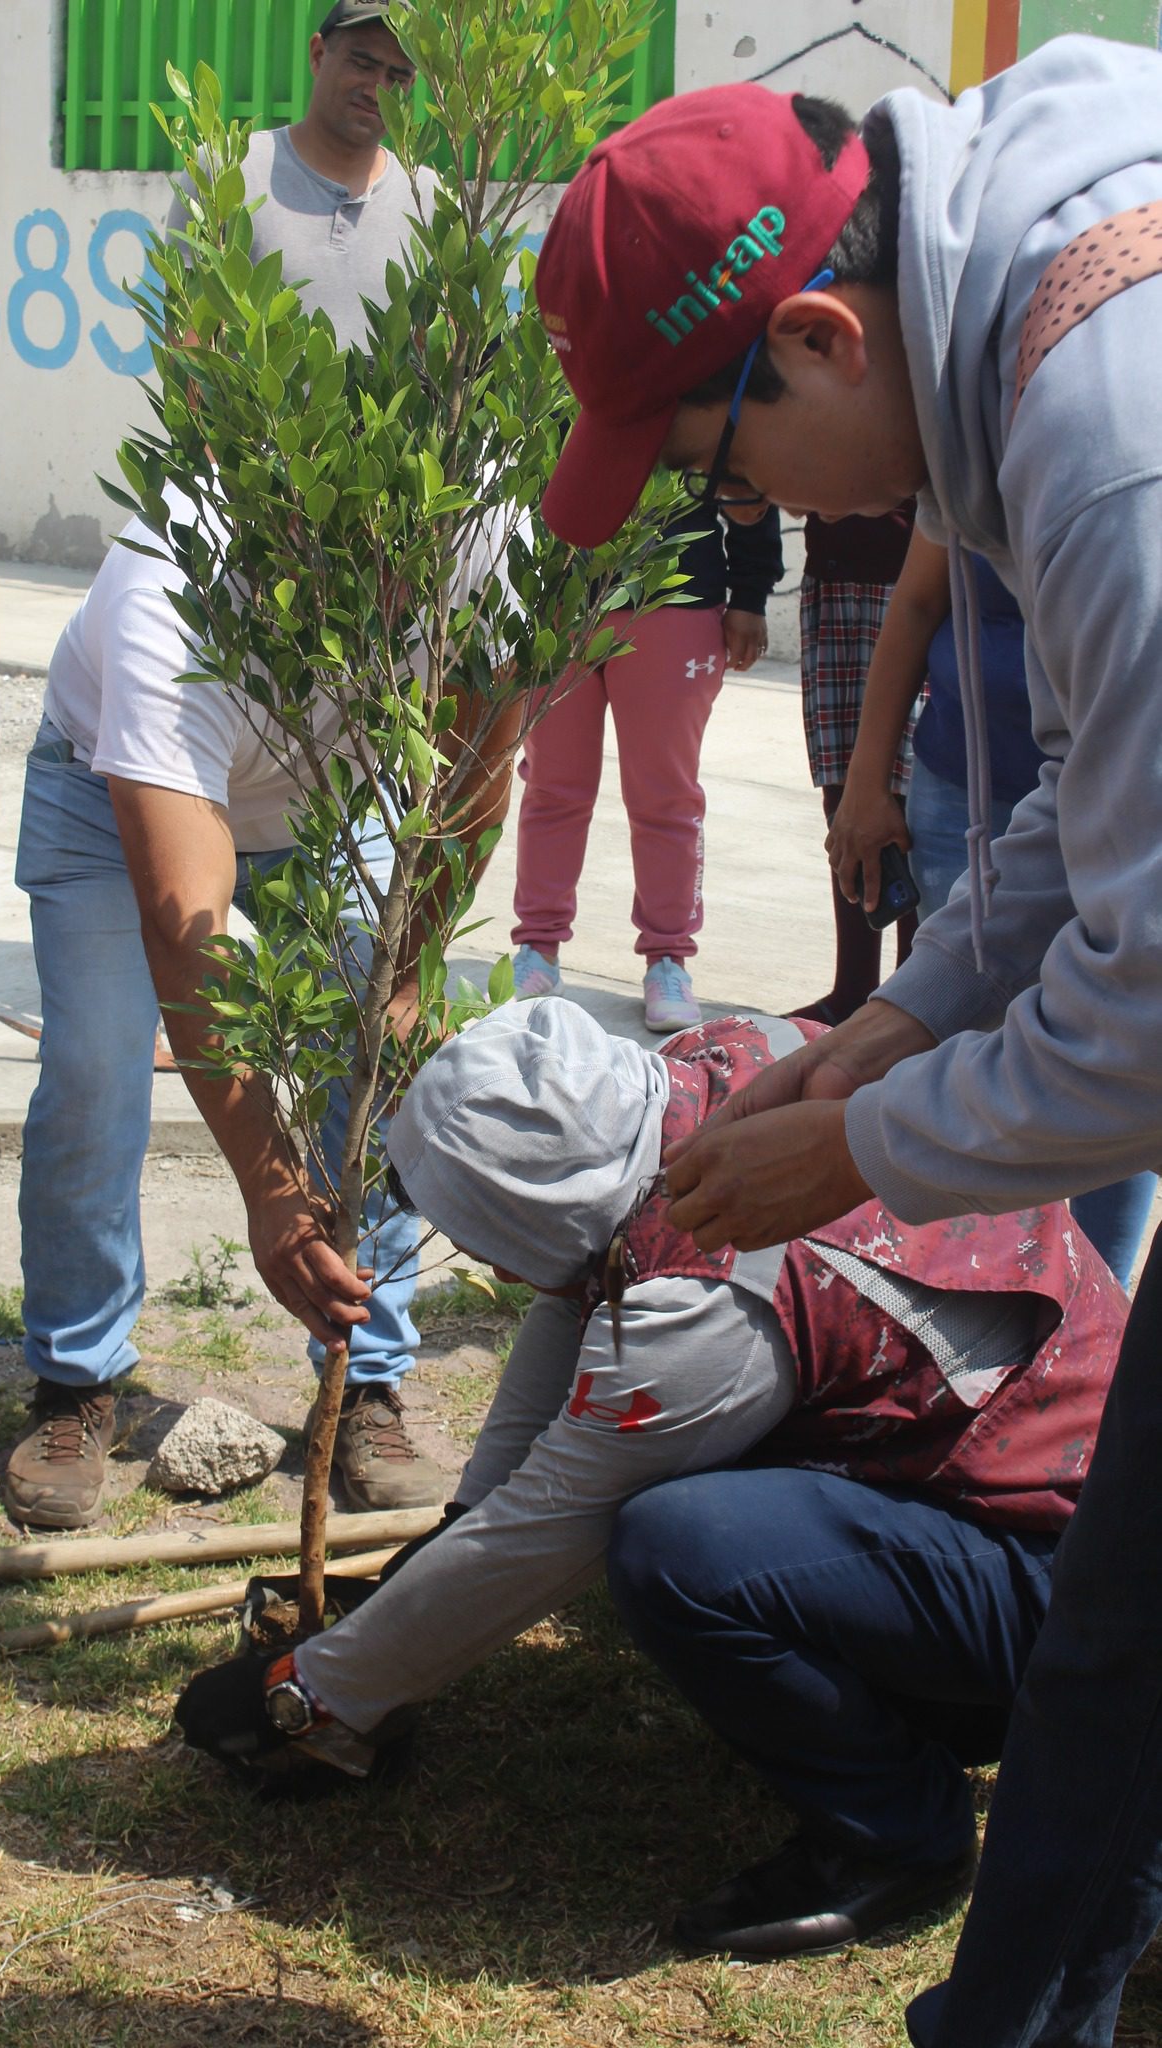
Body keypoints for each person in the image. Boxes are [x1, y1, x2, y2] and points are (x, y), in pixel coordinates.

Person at [530, 45, 1162, 2046]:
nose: (745, 520)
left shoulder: (1103, 429)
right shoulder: (1023, 306)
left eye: (720, 470)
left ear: (813, 331)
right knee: (1115, 1660)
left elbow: (1150, 1003)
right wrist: (877, 1027)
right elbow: (1081, 804)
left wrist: (865, 1143)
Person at [174, 998, 1125, 1960]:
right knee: (665, 1512)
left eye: (481, 1235)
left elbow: (548, 1530)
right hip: (1063, 1478)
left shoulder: (711, 1302)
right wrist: (454, 1527)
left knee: (680, 1549)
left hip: (1064, 1588)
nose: (484, 1264)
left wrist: (311, 1698)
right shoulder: (717, 1074)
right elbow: (586, 1286)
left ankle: (895, 1836)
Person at [5, 0, 452, 1531]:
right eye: (362, 52)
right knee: (88, 1086)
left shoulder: (453, 558)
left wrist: (416, 955)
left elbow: (484, 756)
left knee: (374, 1079)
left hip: (333, 804)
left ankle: (366, 1377)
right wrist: (266, 1198)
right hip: (113, 801)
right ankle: (76, 1385)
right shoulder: (166, 602)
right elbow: (184, 929)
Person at [828, 530, 1157, 1288]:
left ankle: (1084, 1300)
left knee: (1105, 1054)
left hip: (1118, 799)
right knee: (948, 1037)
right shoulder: (973, 453)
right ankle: (958, 1289)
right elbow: (914, 600)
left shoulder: (1105, 475)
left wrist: (834, 1151)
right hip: (967, 784)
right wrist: (866, 777)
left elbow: (1123, 1060)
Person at [509, 497, 783, 1031]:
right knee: (551, 786)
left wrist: (751, 594)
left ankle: (668, 960)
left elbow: (747, 475)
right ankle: (537, 952)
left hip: (676, 597)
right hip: (559, 598)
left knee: (665, 796)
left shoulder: (692, 406)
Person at [790, 505, 919, 1025]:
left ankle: (914, 991)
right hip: (836, 574)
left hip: (914, 584)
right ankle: (854, 988)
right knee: (842, 790)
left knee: (913, 793)